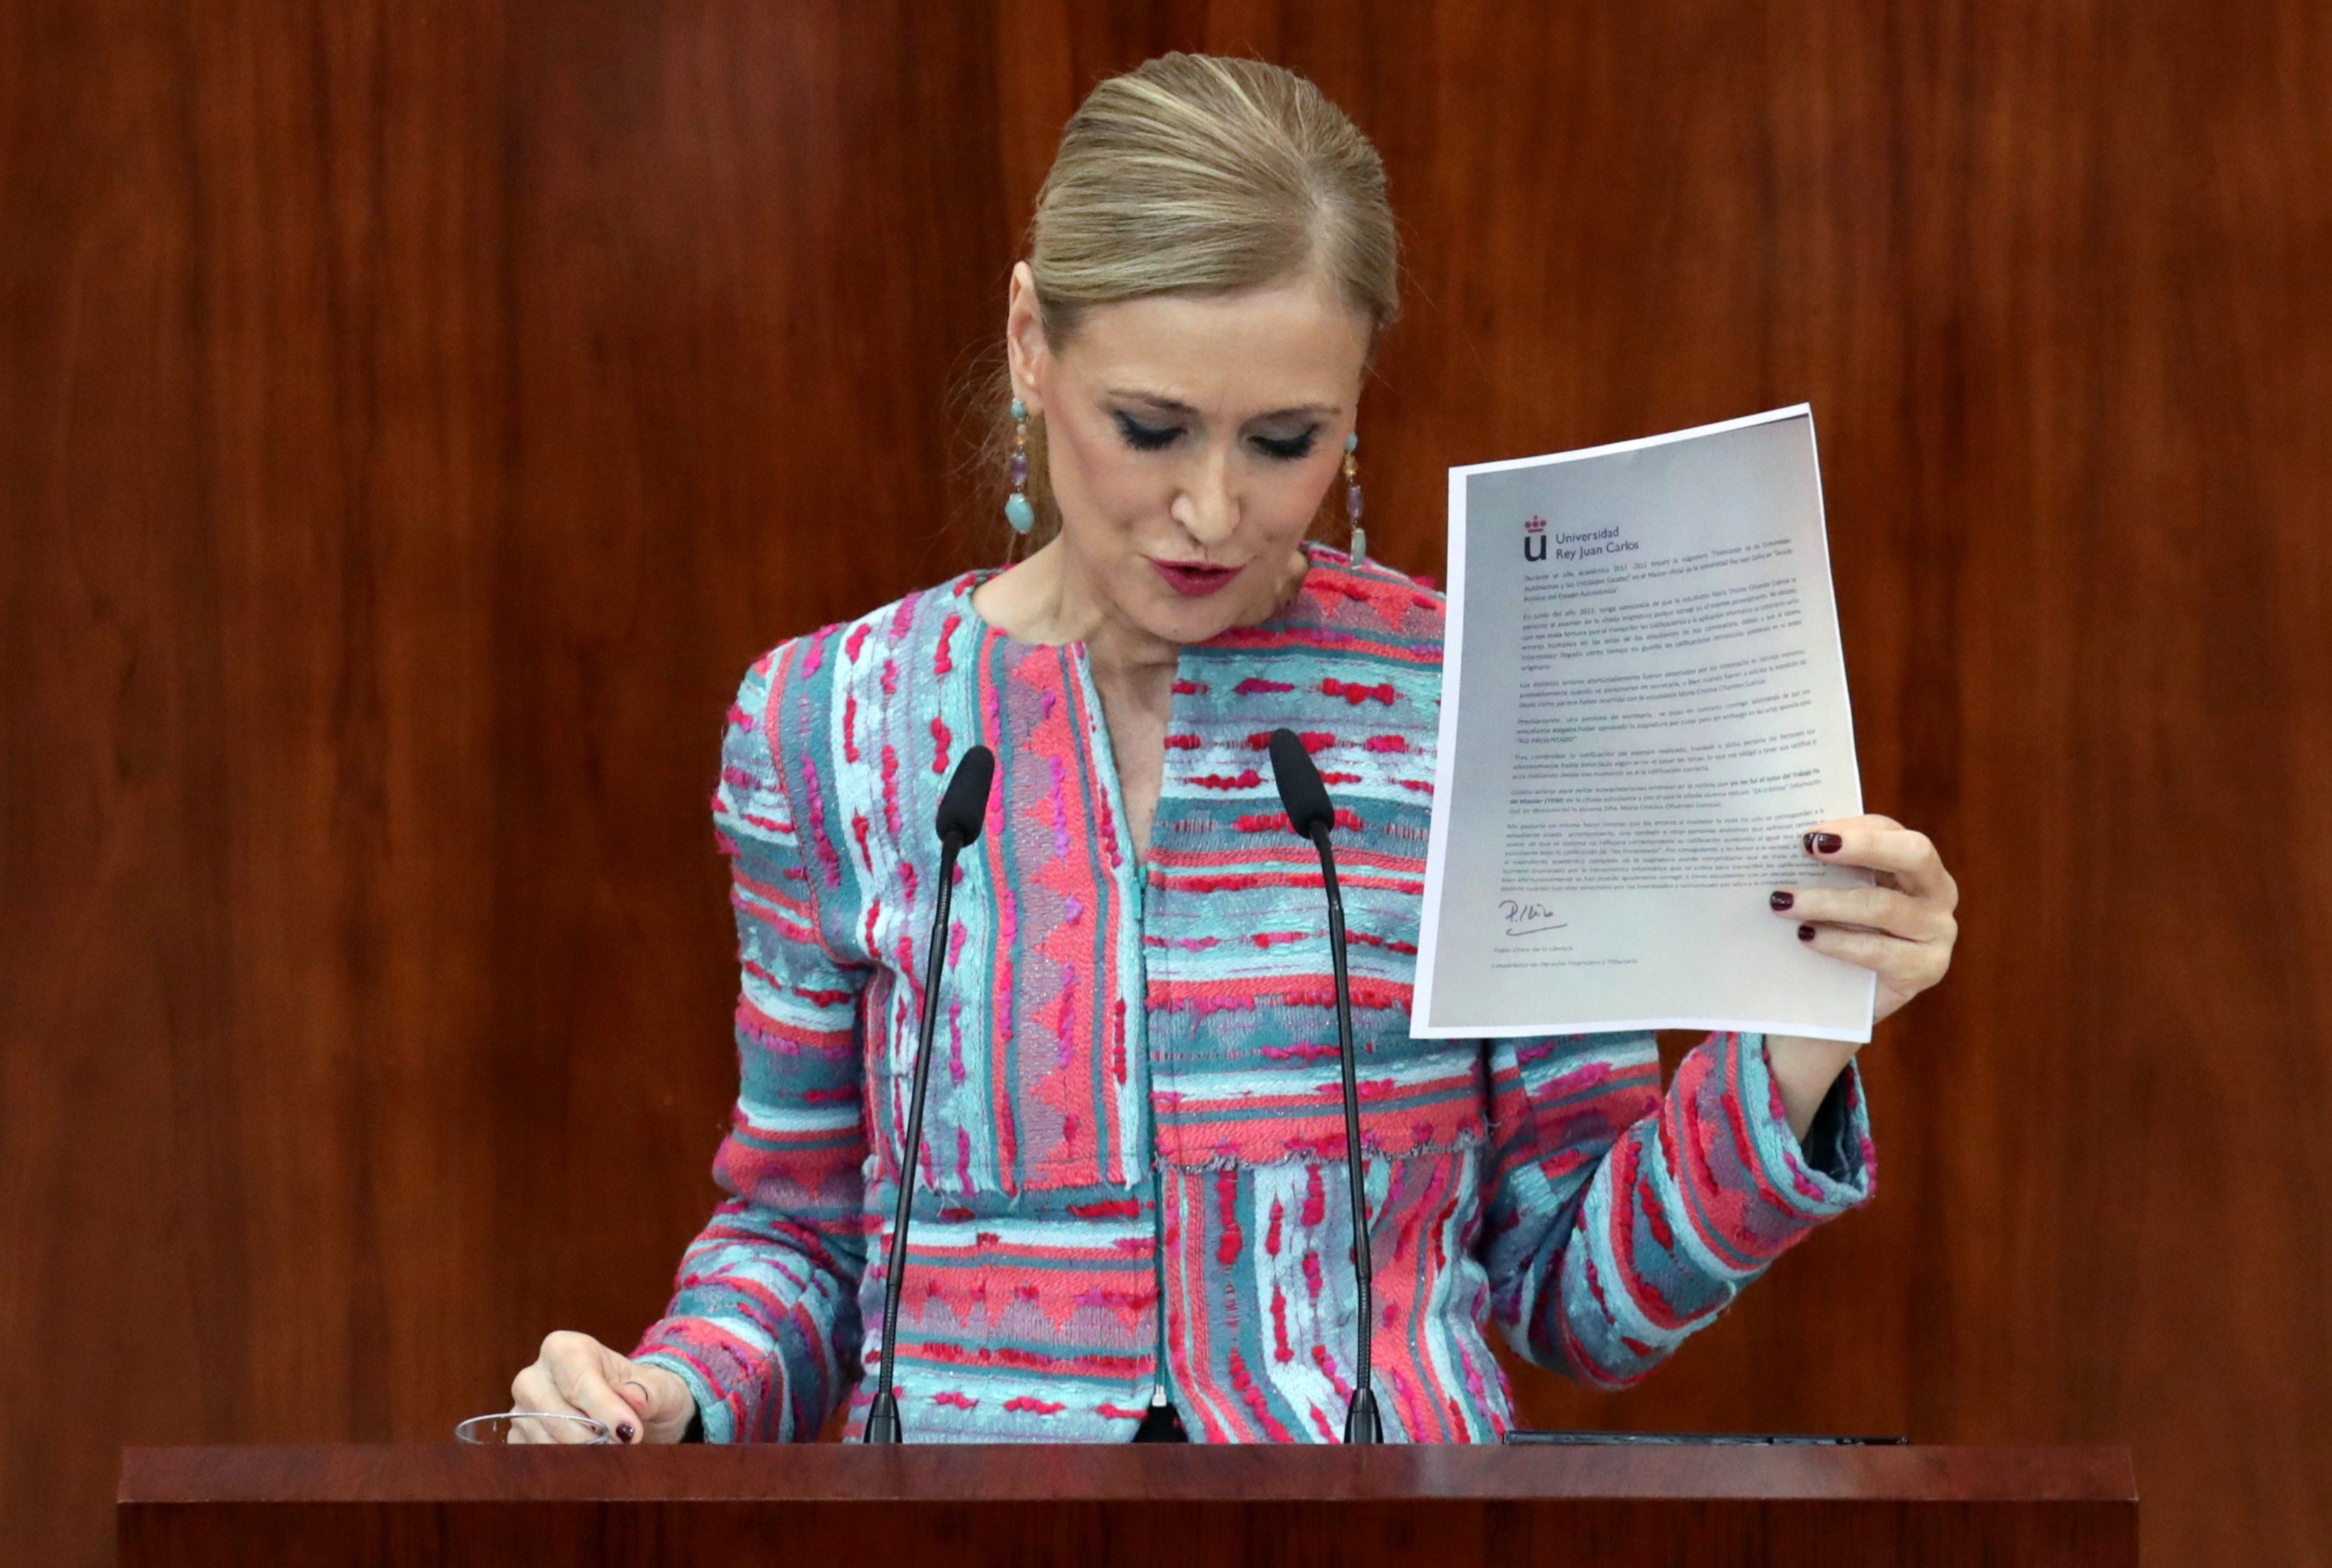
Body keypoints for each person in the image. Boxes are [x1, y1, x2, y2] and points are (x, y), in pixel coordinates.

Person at [508, 53, 1958, 1445]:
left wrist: (1794, 1040)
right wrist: (666, 1392)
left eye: (1284, 441)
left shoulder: (1481, 700)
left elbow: (1583, 1301)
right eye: (1150, 427)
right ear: (1031, 344)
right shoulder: (827, 727)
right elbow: (803, 1237)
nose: (1210, 508)